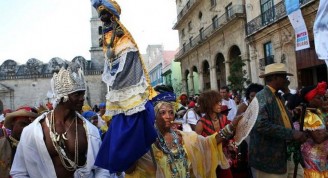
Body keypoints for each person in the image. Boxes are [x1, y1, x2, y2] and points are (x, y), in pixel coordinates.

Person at [10, 64, 112, 177]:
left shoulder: (90, 131)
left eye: (83, 93)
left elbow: (102, 168)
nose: (83, 98)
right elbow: (19, 172)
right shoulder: (32, 132)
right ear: (63, 96)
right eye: (77, 94)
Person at [91, 0, 157, 173]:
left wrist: (119, 86)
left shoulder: (126, 42)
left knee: (130, 130)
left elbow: (129, 67)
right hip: (119, 97)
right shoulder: (108, 40)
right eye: (100, 16)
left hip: (130, 94)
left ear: (113, 17)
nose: (102, 19)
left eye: (105, 15)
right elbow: (110, 68)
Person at [125, 86, 243, 177]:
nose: (168, 116)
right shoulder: (148, 142)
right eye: (163, 112)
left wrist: (232, 126)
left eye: (171, 112)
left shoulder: (184, 137)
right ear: (154, 115)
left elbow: (208, 143)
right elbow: (130, 169)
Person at [249, 63, 307, 178]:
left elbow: (279, 119)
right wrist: (292, 133)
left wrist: (293, 116)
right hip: (269, 159)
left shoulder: (278, 96)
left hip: (284, 154)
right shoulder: (262, 96)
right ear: (275, 78)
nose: (287, 80)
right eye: (284, 77)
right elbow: (261, 125)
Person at [195, 90, 243, 178]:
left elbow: (233, 133)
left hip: (224, 159)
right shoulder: (201, 123)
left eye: (220, 101)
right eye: (217, 102)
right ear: (208, 104)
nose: (220, 104)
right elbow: (197, 146)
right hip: (208, 161)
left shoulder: (224, 118)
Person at [299, 82, 328, 177]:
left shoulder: (317, 112)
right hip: (313, 158)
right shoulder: (308, 115)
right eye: (318, 98)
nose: (322, 101)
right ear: (309, 99)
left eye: (322, 98)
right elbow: (318, 139)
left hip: (321, 157)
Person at [0, 106, 38, 177]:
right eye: (23, 124)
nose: (27, 129)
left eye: (31, 126)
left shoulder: (39, 148)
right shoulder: (1, 145)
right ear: (13, 123)